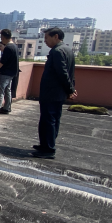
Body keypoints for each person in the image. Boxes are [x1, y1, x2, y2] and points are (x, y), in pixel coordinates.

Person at [33, 27, 77, 159]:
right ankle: (45, 144)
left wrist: (70, 89)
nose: (45, 41)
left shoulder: (57, 52)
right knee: (52, 119)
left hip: (52, 92)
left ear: (56, 36)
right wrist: (71, 89)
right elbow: (71, 73)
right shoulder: (67, 49)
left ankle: (48, 148)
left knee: (49, 120)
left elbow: (63, 73)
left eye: (47, 38)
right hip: (57, 93)